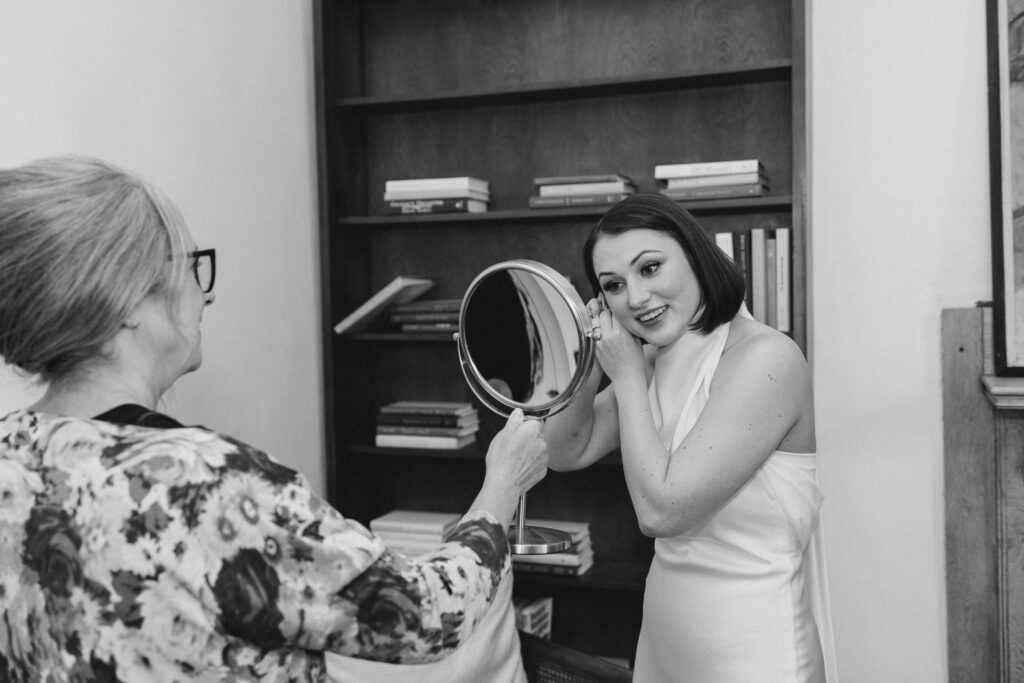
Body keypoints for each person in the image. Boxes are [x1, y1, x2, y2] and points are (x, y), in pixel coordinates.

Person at [0, 155, 548, 682]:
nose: (204, 297)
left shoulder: (11, 450)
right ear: (126, 302)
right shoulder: (205, 484)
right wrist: (502, 486)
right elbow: (425, 617)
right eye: (192, 267)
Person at [544, 193, 837, 682]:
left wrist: (631, 379)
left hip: (753, 649)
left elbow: (663, 511)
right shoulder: (657, 360)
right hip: (666, 636)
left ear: (695, 256)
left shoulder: (767, 359)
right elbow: (564, 449)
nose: (635, 298)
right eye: (613, 285)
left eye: (651, 268)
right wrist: (591, 361)